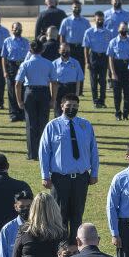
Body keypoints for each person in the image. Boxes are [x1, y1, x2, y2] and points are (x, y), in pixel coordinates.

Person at [39, 94, 99, 242]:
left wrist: (94, 173)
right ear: (62, 106)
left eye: (75, 107)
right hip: (60, 179)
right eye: (68, 106)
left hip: (81, 177)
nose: (71, 109)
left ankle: (76, 244)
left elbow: (93, 150)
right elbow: (44, 152)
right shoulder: (52, 126)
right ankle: (61, 245)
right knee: (60, 214)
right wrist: (45, 175)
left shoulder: (85, 125)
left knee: (77, 214)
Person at [16, 40, 57, 161]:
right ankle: (43, 152)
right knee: (43, 123)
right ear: (42, 50)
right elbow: (54, 82)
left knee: (31, 124)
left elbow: (18, 83)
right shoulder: (49, 64)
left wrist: (19, 100)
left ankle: (32, 153)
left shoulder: (25, 64)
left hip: (30, 93)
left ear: (30, 50)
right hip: (44, 92)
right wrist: (53, 99)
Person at [107, 23, 129, 121]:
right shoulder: (113, 42)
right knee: (117, 94)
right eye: (122, 28)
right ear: (118, 29)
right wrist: (113, 73)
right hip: (117, 68)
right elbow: (110, 58)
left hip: (128, 68)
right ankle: (117, 113)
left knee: (127, 93)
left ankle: (126, 113)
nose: (123, 30)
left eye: (125, 29)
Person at [83, 12, 113, 108]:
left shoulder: (108, 33)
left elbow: (110, 48)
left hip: (104, 57)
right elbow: (86, 48)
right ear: (94, 19)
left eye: (101, 19)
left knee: (103, 80)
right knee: (93, 80)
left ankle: (102, 100)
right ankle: (95, 101)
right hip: (94, 57)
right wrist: (87, 61)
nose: (100, 20)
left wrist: (109, 62)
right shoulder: (89, 32)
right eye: (98, 19)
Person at [59, 1, 90, 85]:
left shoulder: (86, 22)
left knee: (80, 68)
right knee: (69, 67)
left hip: (81, 48)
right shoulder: (66, 21)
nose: (77, 9)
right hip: (69, 48)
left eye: (79, 7)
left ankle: (80, 89)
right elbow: (62, 35)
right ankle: (68, 85)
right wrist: (62, 48)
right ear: (71, 8)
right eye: (75, 7)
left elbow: (89, 36)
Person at [53, 42, 85, 111]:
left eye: (67, 50)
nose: (65, 52)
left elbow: (78, 80)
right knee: (58, 111)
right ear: (59, 51)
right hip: (59, 89)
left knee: (70, 111)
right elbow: (52, 81)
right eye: (63, 50)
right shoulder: (54, 64)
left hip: (71, 89)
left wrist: (76, 94)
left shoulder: (76, 63)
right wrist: (53, 96)